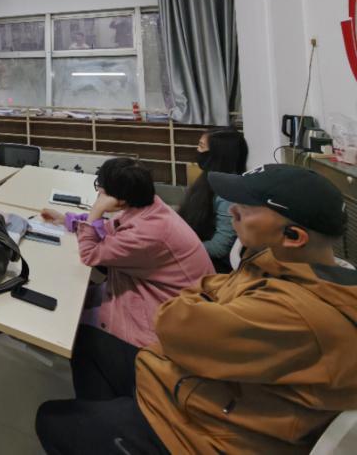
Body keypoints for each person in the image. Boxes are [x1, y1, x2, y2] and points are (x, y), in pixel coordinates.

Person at [36, 164, 357, 455]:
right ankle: (112, 422)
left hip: (204, 432)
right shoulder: (276, 261)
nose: (232, 211)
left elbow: (173, 324)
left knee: (51, 419)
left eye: (246, 208)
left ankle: (118, 428)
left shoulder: (296, 315)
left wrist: (200, 304)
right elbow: (207, 289)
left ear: (294, 236)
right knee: (87, 345)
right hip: (195, 389)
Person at [41, 158, 213, 347]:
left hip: (163, 316)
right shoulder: (148, 206)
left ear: (120, 199)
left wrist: (97, 209)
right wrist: (67, 220)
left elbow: (89, 255)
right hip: (154, 291)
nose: (99, 193)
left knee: (65, 323)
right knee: (73, 298)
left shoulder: (147, 233)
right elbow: (109, 227)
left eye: (101, 189)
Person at [178, 128, 249, 270]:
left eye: (201, 146)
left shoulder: (228, 193)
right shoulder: (208, 179)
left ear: (218, 155)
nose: (197, 150)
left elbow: (219, 248)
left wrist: (181, 249)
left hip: (213, 263)